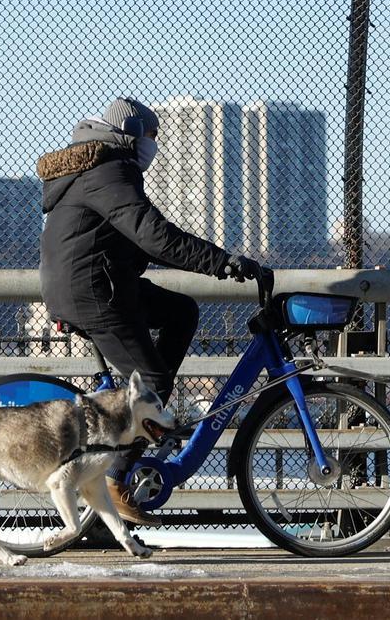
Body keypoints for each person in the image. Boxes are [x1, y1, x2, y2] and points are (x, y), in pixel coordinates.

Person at [36, 97, 263, 525]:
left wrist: (215, 262)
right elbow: (153, 235)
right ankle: (118, 476)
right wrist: (223, 262)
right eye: (150, 137)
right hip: (93, 291)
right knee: (151, 383)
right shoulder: (109, 171)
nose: (153, 146)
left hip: (100, 283)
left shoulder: (102, 168)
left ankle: (146, 419)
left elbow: (140, 240)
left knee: (180, 312)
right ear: (131, 136)